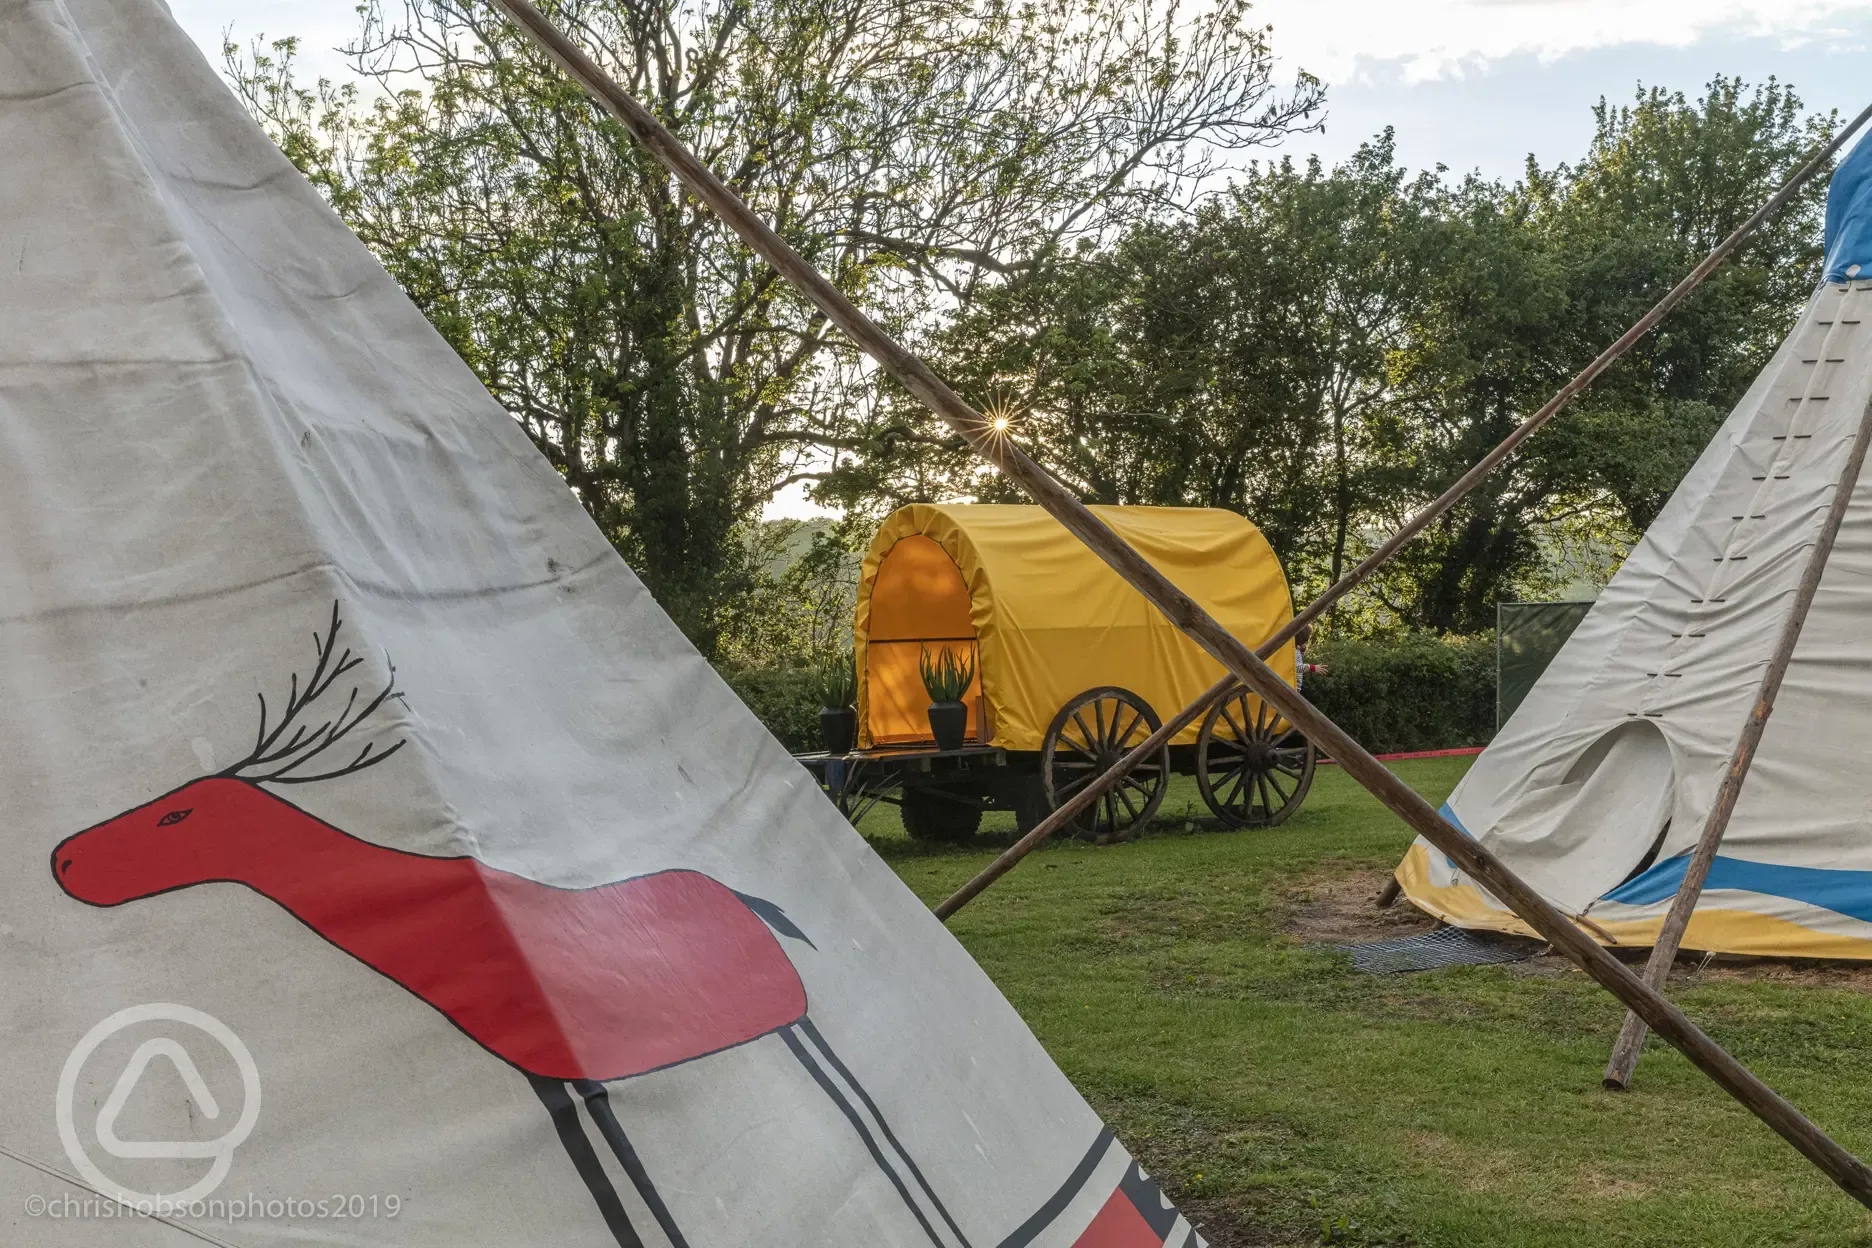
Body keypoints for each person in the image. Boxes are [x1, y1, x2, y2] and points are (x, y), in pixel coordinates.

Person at [1295, 623, 1327, 689]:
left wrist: (1302, 650)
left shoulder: (1296, 650)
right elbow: (1296, 667)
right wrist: (1312, 667)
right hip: (1293, 687)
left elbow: (1299, 661)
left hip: (1295, 687)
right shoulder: (1295, 652)